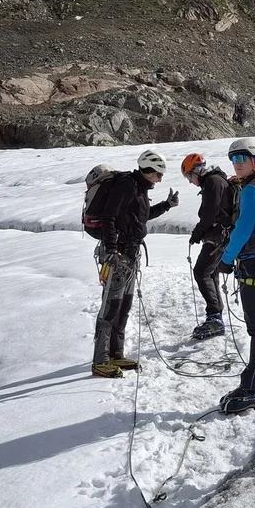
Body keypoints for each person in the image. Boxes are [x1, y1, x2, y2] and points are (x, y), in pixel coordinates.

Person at [91, 149, 180, 378]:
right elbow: (108, 218)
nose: (160, 179)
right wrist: (111, 250)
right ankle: (100, 361)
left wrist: (167, 205)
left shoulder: (139, 188)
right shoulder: (128, 186)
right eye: (159, 173)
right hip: (118, 255)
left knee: (124, 306)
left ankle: (115, 354)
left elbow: (141, 216)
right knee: (111, 307)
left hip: (130, 255)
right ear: (148, 170)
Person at [214, 138, 255, 413]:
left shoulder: (252, 190)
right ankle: (250, 383)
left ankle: (252, 387)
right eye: (234, 159)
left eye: (242, 158)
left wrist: (226, 260)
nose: (237, 163)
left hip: (253, 264)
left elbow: (242, 229)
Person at [182, 152, 232, 340]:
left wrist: (198, 232)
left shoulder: (212, 182)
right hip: (220, 236)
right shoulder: (216, 181)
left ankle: (215, 318)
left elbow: (210, 214)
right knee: (210, 273)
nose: (190, 181)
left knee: (201, 272)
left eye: (189, 176)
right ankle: (216, 315)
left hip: (217, 236)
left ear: (196, 171)